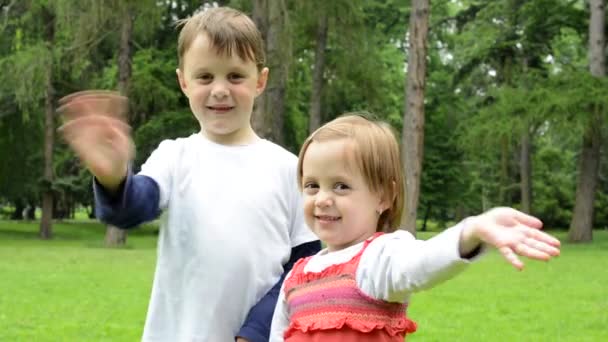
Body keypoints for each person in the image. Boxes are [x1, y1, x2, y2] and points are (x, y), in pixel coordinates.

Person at [58, 7, 320, 342]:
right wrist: (113, 178)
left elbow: (305, 267)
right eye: (205, 77)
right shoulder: (175, 156)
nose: (220, 90)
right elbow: (133, 207)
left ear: (261, 80)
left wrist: (257, 329)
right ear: (184, 81)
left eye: (236, 76)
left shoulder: (288, 169)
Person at [269, 114, 561, 341]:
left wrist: (471, 231)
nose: (322, 199)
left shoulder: (379, 258)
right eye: (312, 186)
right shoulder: (296, 276)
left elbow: (420, 263)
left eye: (341, 186)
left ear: (383, 196)